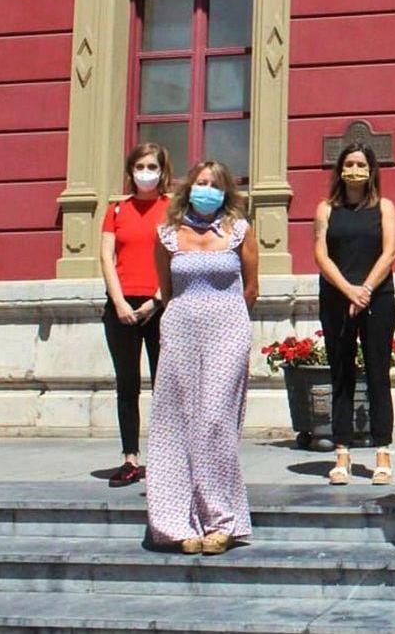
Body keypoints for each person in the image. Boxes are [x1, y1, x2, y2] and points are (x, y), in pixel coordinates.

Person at [147, 160, 259, 555]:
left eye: (213, 184)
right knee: (173, 423)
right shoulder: (167, 234)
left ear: (225, 190)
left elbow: (251, 288)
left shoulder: (239, 231)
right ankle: (176, 522)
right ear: (187, 188)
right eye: (200, 183)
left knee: (215, 421)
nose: (206, 189)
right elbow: (166, 287)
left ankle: (221, 521)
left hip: (227, 330)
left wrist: (227, 318)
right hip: (180, 331)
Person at [313, 143, 395, 485]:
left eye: (361, 164)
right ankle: (342, 453)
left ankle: (382, 452)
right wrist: (348, 290)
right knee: (341, 374)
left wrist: (364, 290)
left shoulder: (385, 207)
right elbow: (321, 254)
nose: (354, 170)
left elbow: (391, 251)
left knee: (379, 373)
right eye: (349, 163)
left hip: (377, 297)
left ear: (371, 169)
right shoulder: (326, 208)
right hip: (336, 297)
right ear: (340, 169)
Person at [99, 143, 172, 487]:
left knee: (165, 385)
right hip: (122, 308)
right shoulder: (115, 210)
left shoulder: (172, 209)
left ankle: (165, 458)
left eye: (152, 166)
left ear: (162, 170)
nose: (146, 172)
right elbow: (106, 258)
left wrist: (156, 300)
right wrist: (119, 303)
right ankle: (130, 458)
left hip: (160, 307)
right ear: (130, 171)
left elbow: (176, 257)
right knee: (127, 385)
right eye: (140, 166)